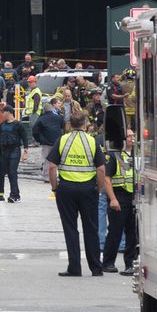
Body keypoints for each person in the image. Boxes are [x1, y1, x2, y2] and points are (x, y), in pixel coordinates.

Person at [46, 112, 119, 277]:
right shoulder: (91, 141)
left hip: (66, 189)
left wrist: (55, 188)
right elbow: (101, 169)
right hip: (88, 189)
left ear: (70, 124)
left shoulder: (63, 140)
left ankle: (74, 267)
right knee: (91, 228)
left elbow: (52, 167)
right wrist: (98, 188)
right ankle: (96, 267)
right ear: (85, 124)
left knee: (70, 228)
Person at [102, 129, 138, 276]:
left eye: (133, 136)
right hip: (119, 196)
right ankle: (108, 263)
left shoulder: (137, 155)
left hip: (134, 197)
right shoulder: (114, 155)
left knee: (133, 233)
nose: (132, 138)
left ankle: (130, 264)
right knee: (115, 232)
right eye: (128, 136)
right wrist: (113, 199)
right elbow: (107, 179)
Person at [0, 106, 28, 203]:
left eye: (3, 112)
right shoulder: (2, 125)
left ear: (9, 112)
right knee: (6, 172)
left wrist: (25, 152)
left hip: (14, 150)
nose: (2, 114)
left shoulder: (18, 125)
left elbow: (25, 138)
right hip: (4, 151)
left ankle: (14, 195)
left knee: (12, 172)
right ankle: (13, 193)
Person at [30, 100, 64, 184]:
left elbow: (35, 130)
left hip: (46, 142)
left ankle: (47, 177)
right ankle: (61, 176)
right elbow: (63, 126)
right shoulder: (58, 117)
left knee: (46, 159)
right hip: (58, 141)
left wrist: (39, 139)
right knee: (60, 159)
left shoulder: (41, 119)